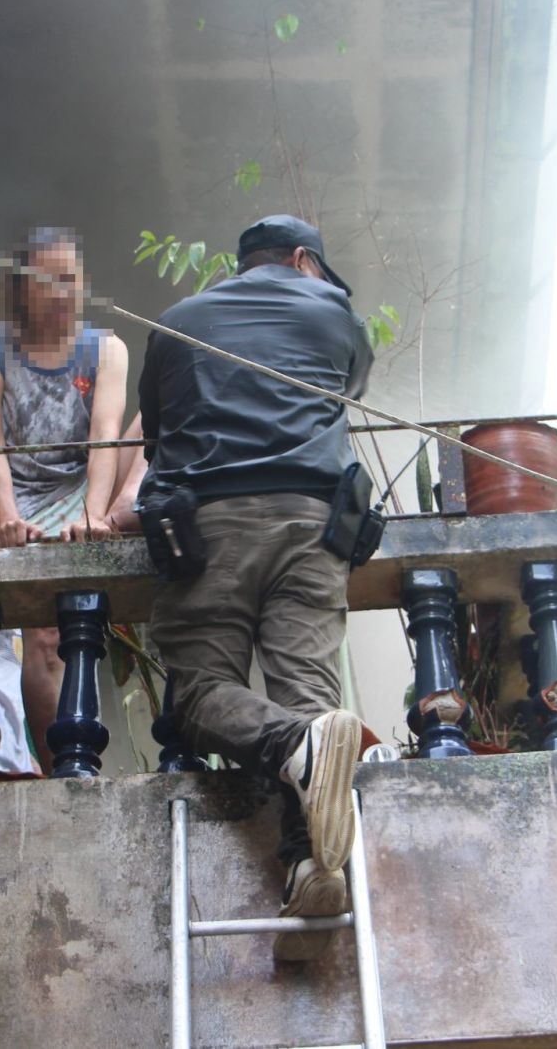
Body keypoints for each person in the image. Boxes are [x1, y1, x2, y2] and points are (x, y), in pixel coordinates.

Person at [138, 214, 373, 962]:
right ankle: (312, 866)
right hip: (315, 523)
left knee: (197, 694)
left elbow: (156, 437)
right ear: (303, 260)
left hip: (211, 525)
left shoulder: (176, 321)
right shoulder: (337, 315)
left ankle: (296, 752)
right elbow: (350, 384)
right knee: (309, 689)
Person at [0, 227, 129, 774]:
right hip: (20, 494)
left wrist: (94, 515)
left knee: (157, 420)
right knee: (46, 635)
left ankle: (122, 519)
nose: (60, 291)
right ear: (20, 287)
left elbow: (105, 436)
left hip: (84, 488)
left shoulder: (106, 349)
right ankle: (61, 768)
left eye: (69, 279)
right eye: (46, 280)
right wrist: (8, 520)